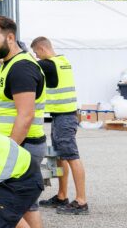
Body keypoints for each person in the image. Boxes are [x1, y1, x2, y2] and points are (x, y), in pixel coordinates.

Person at [0, 15, 59, 228]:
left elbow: (25, 116)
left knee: (7, 208)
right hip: (21, 147)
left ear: (10, 37)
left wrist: (8, 151)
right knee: (28, 208)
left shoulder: (21, 69)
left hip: (21, 148)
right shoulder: (10, 65)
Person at [31, 37, 89, 214]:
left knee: (71, 155)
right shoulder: (62, 61)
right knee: (61, 157)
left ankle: (81, 201)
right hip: (63, 116)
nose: (36, 55)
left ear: (41, 49)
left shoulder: (49, 65)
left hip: (64, 118)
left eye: (36, 52)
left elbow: (28, 64)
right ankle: (62, 195)